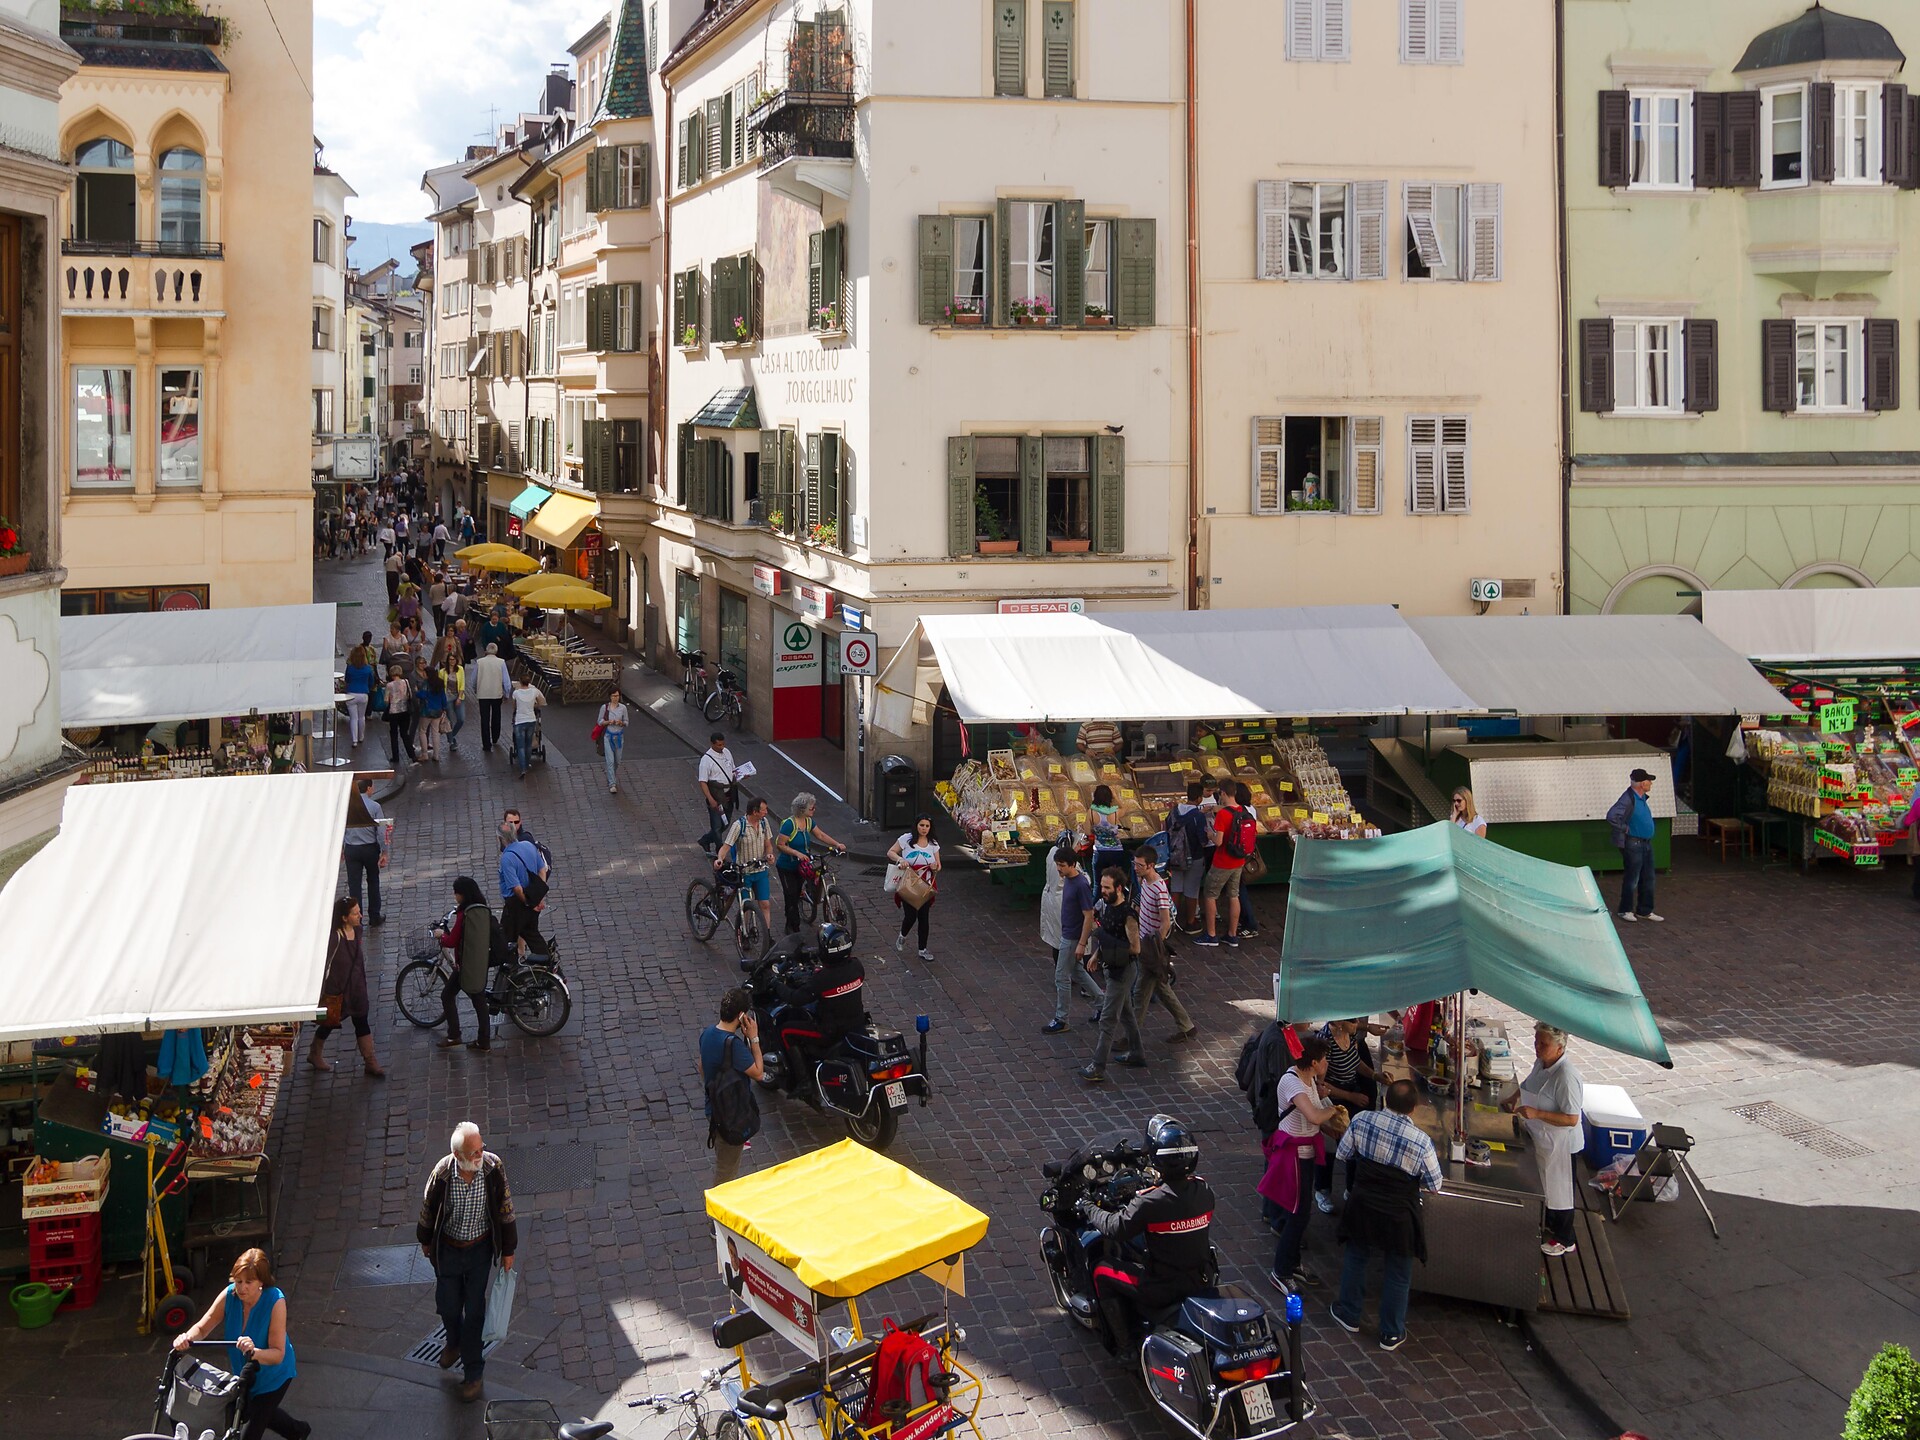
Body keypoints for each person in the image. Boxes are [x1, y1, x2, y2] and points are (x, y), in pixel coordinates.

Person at [1080, 1113, 1217, 1353]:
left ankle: (1125, 1347)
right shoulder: (1204, 1190)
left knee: (1101, 1269)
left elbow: (1114, 1227)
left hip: (1161, 1289)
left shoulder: (1149, 1202)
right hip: (1200, 1279)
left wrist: (1089, 1207)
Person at [1329, 1079, 1442, 1351]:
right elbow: (1435, 1185)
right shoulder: (1421, 1142)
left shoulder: (1362, 1121)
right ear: (1413, 1109)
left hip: (1364, 1203)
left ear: (1385, 1099)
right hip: (1399, 1214)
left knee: (1356, 1256)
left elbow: (1343, 1154)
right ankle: (1391, 1332)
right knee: (1398, 1272)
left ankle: (1349, 1312)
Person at [417, 1123, 517, 1403]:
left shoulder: (492, 1168)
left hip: (479, 1251)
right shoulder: (443, 1173)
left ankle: (474, 1373)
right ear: (458, 1155)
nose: (481, 1154)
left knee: (474, 1312)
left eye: (482, 1147)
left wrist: (508, 1249)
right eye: (474, 1151)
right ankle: (454, 1341)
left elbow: (505, 1208)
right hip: (448, 1250)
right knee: (448, 1305)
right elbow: (428, 1207)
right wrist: (425, 1239)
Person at [171, 1249, 308, 1440]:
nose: (241, 1288)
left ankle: (297, 1431)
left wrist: (254, 1351)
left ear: (261, 1282)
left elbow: (278, 1354)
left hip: (273, 1378)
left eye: (248, 1282)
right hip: (245, 1376)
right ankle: (298, 1431)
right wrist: (186, 1337)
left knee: (250, 1429)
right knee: (259, 1412)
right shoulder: (230, 1295)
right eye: (238, 1281)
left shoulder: (275, 1301)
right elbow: (202, 1328)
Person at [1503, 1022, 1585, 1257]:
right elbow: (1529, 1084)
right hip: (1543, 1136)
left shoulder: (1567, 1077)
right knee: (1545, 1183)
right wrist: (1513, 1098)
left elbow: (1571, 1118)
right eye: (1536, 1041)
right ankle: (1548, 1220)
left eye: (1543, 1044)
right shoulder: (1542, 1062)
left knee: (1561, 1190)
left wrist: (1537, 1113)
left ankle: (1565, 1238)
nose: (1537, 1047)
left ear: (1560, 1048)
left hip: (1562, 1143)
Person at [1264, 1036, 1337, 1291]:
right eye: (1325, 1059)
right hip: (1293, 1156)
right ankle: (1280, 1271)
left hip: (1306, 1154)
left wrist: (1322, 1092)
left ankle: (1292, 1264)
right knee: (1297, 1214)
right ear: (1314, 1062)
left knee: (1302, 1213)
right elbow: (1315, 1116)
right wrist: (1335, 1110)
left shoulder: (1310, 1081)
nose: (1327, 1063)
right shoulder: (1291, 1082)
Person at [1079, 866, 1145, 1083]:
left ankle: (1098, 1066)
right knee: (1126, 1013)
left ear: (1119, 888)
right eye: (1103, 887)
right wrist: (1097, 955)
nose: (1103, 891)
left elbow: (1135, 948)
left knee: (1107, 1019)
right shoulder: (1108, 907)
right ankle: (1136, 1053)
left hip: (1123, 971)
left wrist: (1109, 946)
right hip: (1111, 967)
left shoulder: (1128, 916)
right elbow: (1108, 934)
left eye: (1107, 888)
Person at [771, 923, 866, 1068]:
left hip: (829, 1033)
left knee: (786, 1031)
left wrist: (777, 985)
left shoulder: (823, 979)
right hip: (856, 1026)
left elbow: (795, 999)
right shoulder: (857, 967)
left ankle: (803, 1083)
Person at [310, 897, 384, 1077]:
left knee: (362, 1022)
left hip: (357, 987)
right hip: (338, 990)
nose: (360, 915)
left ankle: (370, 1061)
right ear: (344, 918)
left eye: (359, 911)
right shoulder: (334, 937)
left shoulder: (358, 930)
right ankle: (314, 1053)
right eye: (355, 913)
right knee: (329, 1022)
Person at [701, 987, 766, 1183]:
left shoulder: (707, 1034)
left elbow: (701, 1067)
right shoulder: (733, 1045)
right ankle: (717, 1212)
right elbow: (759, 1073)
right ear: (741, 1016)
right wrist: (754, 1038)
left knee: (726, 1159)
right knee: (726, 1172)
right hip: (731, 1114)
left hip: (714, 1109)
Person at [1131, 847, 1196, 1043]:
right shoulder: (1144, 882)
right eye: (1135, 864)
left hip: (1151, 948)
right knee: (1162, 988)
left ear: (1151, 866)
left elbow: (1165, 921)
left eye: (1140, 865)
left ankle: (1131, 1036)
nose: (1136, 868)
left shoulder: (1159, 888)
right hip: (1144, 942)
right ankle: (1187, 1025)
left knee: (1140, 993)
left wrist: (1156, 945)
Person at [1313, 1019, 1376, 1213]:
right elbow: (1321, 1084)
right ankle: (1322, 1190)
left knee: (1355, 1143)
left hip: (1352, 1091)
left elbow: (1356, 1061)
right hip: (1334, 1097)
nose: (1358, 1023)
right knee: (1331, 1145)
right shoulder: (1326, 1042)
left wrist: (1375, 1076)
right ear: (1340, 1022)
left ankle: (1351, 1189)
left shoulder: (1351, 1034)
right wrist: (1351, 1097)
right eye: (1354, 1020)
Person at [1043, 848, 1104, 1034]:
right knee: (1077, 972)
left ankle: (1062, 1019)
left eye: (1062, 865)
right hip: (1067, 934)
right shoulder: (1068, 880)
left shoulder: (1080, 884)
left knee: (1061, 976)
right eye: (1057, 864)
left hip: (1072, 938)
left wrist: (1081, 943)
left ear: (1072, 865)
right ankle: (1103, 1004)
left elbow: (1088, 916)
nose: (1058, 869)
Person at [436, 877, 495, 1052]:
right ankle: (482, 1040)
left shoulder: (464, 914)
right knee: (478, 1000)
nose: (455, 896)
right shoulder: (481, 909)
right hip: (478, 962)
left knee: (448, 995)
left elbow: (452, 940)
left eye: (456, 893)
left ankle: (455, 1035)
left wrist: (441, 936)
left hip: (465, 965)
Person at [774, 792, 843, 936]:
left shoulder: (808, 822)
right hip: (787, 866)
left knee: (797, 891)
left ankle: (804, 901)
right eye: (811, 808)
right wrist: (796, 853)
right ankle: (793, 927)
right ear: (802, 809)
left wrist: (837, 844)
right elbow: (780, 845)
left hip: (801, 866)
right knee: (791, 895)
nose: (814, 810)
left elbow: (821, 835)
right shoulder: (789, 824)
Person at [1197, 781, 1257, 948]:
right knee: (1234, 895)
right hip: (1239, 860)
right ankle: (1232, 935)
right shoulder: (1243, 810)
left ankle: (1211, 935)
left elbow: (1218, 841)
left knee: (1209, 895)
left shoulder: (1224, 814)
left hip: (1223, 861)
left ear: (1222, 793)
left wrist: (1209, 834)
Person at [715, 796, 777, 940]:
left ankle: (767, 936)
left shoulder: (764, 823)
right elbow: (726, 846)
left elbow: (768, 844)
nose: (766, 813)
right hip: (744, 873)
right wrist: (719, 859)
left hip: (760, 870)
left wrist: (769, 855)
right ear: (755, 812)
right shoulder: (739, 826)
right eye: (764, 810)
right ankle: (744, 933)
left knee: (765, 904)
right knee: (746, 906)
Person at [1606, 767, 1662, 922]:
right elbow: (1612, 816)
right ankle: (1625, 910)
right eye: (1648, 780)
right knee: (1633, 878)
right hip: (1634, 844)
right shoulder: (1628, 798)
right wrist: (1625, 828)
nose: (1651, 783)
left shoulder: (1641, 798)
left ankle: (1645, 910)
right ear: (1641, 783)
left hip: (1645, 843)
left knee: (1648, 877)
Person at [887, 814, 941, 961]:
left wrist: (935, 866)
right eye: (921, 825)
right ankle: (902, 935)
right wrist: (901, 859)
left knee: (924, 917)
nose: (924, 829)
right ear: (916, 825)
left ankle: (922, 949)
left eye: (927, 826)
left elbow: (938, 865)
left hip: (925, 886)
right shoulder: (906, 839)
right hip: (909, 884)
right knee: (911, 916)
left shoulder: (933, 844)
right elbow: (891, 852)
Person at [340, 777, 389, 926]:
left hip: (352, 849)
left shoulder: (347, 807)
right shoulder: (374, 807)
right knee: (373, 881)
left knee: (354, 885)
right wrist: (384, 852)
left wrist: (342, 848)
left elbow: (341, 829)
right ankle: (374, 916)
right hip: (369, 849)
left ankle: (356, 919)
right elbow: (381, 831)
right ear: (368, 788)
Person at [1165, 779, 1210, 934]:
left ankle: (1172, 921)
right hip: (1194, 857)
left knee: (1175, 888)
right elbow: (1203, 840)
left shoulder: (1174, 811)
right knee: (1191, 890)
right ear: (1199, 798)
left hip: (1176, 856)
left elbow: (1166, 829)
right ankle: (1190, 922)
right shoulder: (1198, 816)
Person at [498, 834, 551, 959]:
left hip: (516, 905)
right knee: (532, 935)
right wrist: (537, 897)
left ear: (500, 839)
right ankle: (550, 965)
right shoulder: (528, 846)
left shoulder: (507, 858)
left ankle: (510, 974)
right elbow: (542, 870)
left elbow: (516, 888)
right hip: (531, 900)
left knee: (506, 940)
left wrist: (528, 903)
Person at [697, 732, 739, 854]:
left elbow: (733, 769)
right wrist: (710, 799)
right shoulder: (706, 760)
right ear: (712, 744)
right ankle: (720, 851)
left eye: (723, 744)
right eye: (719, 745)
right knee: (716, 826)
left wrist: (741, 775)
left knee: (726, 823)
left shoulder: (727, 752)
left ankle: (705, 840)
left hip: (729, 794)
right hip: (716, 795)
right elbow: (703, 782)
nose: (721, 747)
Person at [472, 642, 510, 753]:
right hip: (496, 693)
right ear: (496, 651)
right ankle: (495, 736)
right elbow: (506, 680)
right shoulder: (501, 662)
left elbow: (473, 679)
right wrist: (507, 694)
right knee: (496, 715)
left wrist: (475, 689)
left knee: (484, 719)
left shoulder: (479, 662)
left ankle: (486, 744)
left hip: (483, 694)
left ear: (486, 651)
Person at [342, 634, 378, 748]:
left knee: (353, 718)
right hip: (363, 694)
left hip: (351, 694)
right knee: (361, 717)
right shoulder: (368, 668)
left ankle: (354, 740)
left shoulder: (350, 668)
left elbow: (347, 679)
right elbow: (371, 682)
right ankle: (361, 736)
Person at [509, 674, 544, 779]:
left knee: (520, 746)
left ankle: (523, 768)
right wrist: (533, 704)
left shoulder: (516, 693)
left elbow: (514, 707)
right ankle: (527, 764)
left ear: (520, 682)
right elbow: (541, 702)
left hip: (520, 721)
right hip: (531, 720)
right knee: (528, 744)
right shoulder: (534, 691)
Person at [597, 687, 630, 794]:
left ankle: (612, 775)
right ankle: (612, 783)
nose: (615, 698)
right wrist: (607, 722)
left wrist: (621, 723)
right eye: (613, 696)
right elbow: (599, 721)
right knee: (610, 761)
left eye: (617, 696)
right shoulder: (605, 707)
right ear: (610, 696)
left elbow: (627, 722)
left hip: (619, 737)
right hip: (608, 736)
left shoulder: (623, 708)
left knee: (617, 760)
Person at [1089, 783, 1124, 877]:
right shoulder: (1115, 812)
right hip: (1116, 850)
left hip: (1100, 851)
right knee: (1116, 881)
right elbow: (1124, 807)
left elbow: (1087, 832)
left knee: (1097, 883)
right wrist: (1115, 796)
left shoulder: (1091, 812)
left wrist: (1095, 830)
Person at [383, 665, 416, 765]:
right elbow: (410, 694)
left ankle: (395, 756)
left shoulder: (389, 685)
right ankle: (412, 755)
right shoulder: (405, 682)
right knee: (404, 733)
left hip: (393, 712)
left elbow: (386, 700)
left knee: (393, 734)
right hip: (405, 711)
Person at [417, 670, 448, 762]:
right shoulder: (440, 683)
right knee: (435, 732)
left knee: (422, 731)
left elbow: (422, 695)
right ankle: (436, 755)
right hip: (438, 711)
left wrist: (416, 692)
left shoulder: (425, 683)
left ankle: (424, 754)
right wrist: (444, 707)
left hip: (427, 711)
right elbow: (443, 697)